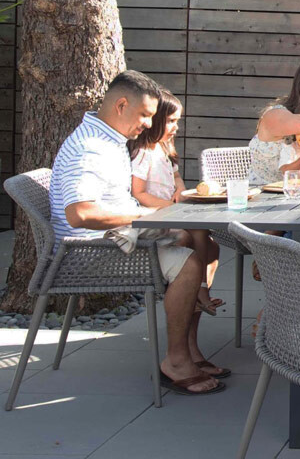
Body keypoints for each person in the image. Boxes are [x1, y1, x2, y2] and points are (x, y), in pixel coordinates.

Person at [50, 70, 226, 394]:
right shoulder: (92, 148)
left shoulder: (109, 140)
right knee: (188, 263)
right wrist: (142, 216)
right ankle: (176, 360)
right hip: (89, 254)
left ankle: (187, 348)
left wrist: (152, 217)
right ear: (120, 105)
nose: (149, 124)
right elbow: (80, 214)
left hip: (109, 242)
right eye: (145, 115)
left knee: (193, 240)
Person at [129, 90, 223, 316]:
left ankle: (201, 289)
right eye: (171, 121)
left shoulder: (164, 149)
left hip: (171, 211)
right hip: (156, 216)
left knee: (212, 244)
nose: (175, 127)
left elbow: (176, 177)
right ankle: (199, 294)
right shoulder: (143, 153)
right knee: (196, 235)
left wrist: (180, 190)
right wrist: (170, 207)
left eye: (177, 121)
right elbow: (139, 192)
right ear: (156, 119)